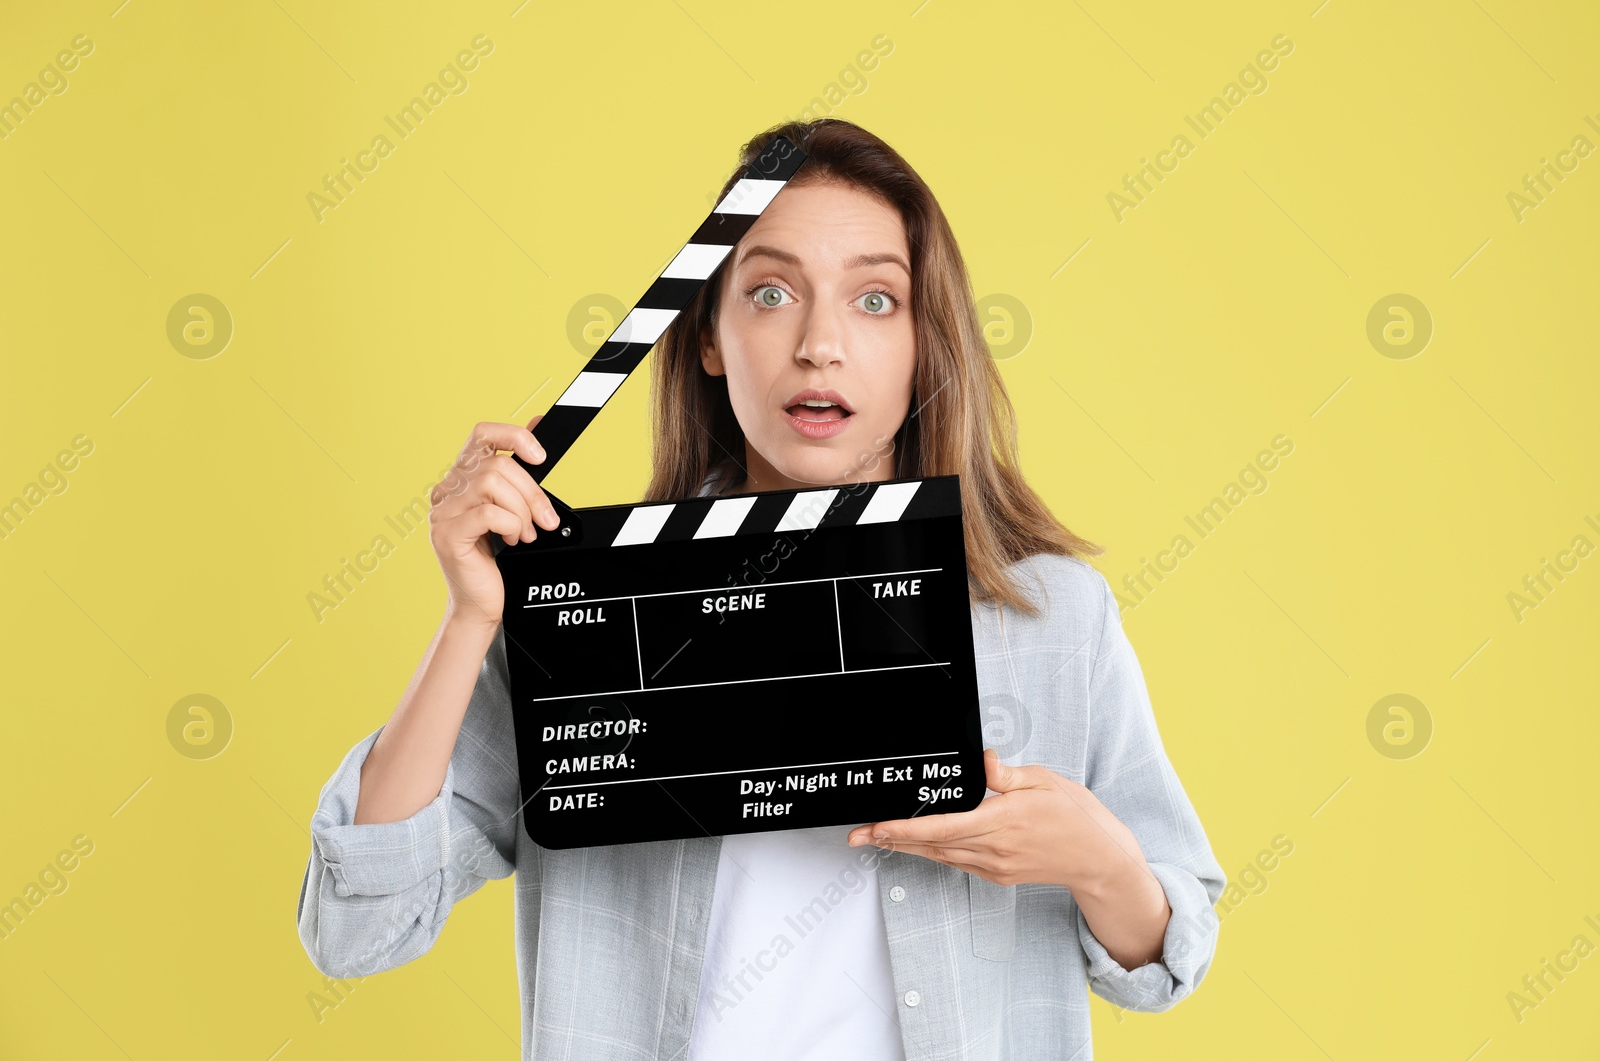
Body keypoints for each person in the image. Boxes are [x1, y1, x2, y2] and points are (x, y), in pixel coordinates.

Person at [296, 118, 1226, 1060]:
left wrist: (1101, 865)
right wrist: (469, 620)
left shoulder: (1054, 618)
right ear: (708, 336)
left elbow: (1169, 950)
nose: (819, 344)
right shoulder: (586, 617)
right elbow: (358, 925)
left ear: (923, 343)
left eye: (874, 299)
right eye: (772, 292)